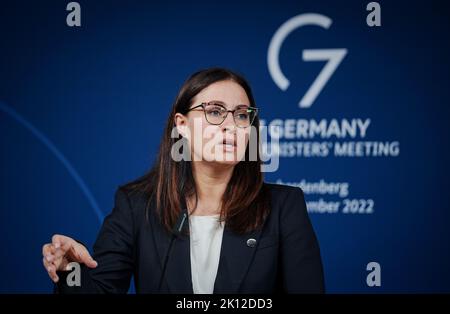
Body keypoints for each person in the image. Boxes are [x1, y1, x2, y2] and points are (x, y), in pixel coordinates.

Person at [41, 67, 325, 293]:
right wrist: (70, 273)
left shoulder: (284, 206)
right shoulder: (136, 205)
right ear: (182, 125)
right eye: (215, 111)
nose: (230, 124)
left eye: (241, 115)